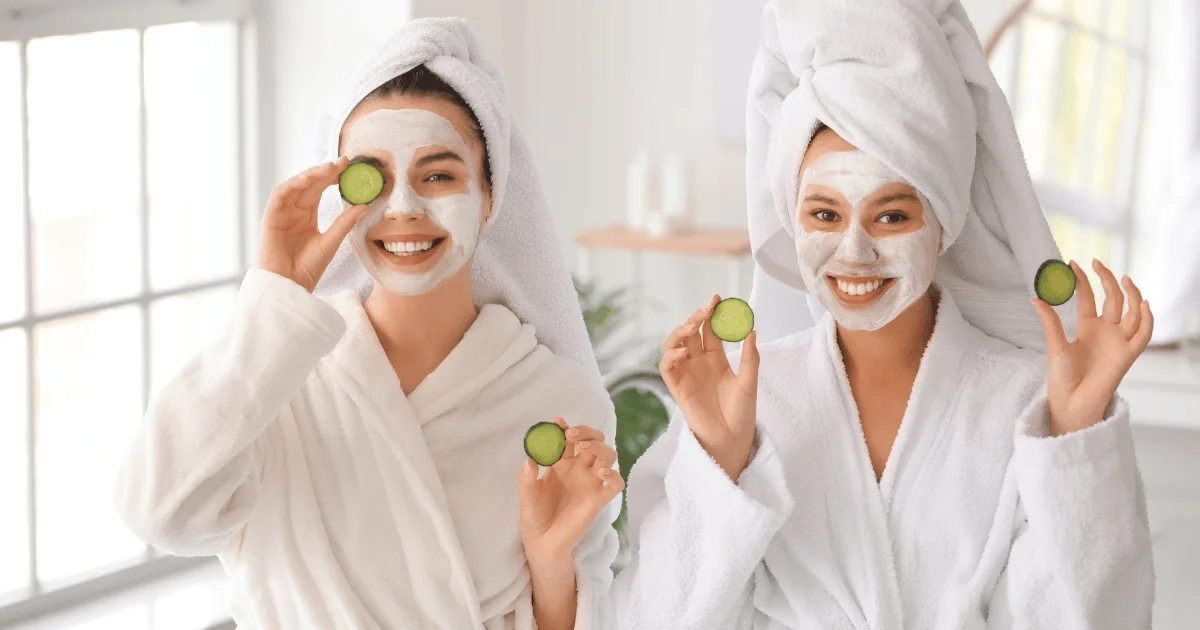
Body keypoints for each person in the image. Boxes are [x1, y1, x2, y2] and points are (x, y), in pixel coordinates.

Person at [612, 1, 1155, 628]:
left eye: (892, 215)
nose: (854, 251)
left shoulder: (1026, 404)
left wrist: (1073, 435)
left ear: (945, 222)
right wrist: (720, 458)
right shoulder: (746, 401)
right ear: (792, 221)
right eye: (824, 214)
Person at [115, 18, 621, 630]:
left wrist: (550, 559)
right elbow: (157, 512)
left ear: (490, 194)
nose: (403, 208)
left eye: (439, 175)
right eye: (372, 178)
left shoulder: (559, 401)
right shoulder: (276, 379)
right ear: (338, 194)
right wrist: (277, 296)